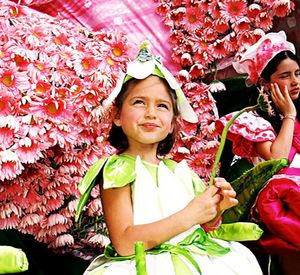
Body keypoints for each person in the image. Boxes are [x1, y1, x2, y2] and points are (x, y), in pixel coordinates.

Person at [76, 42, 263, 275]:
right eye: (139, 102)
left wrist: (214, 212)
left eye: (162, 106)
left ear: (173, 123)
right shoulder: (117, 169)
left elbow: (196, 227)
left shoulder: (179, 171)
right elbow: (124, 243)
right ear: (116, 115)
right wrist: (190, 214)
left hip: (195, 262)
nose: (151, 113)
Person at [216, 31, 300, 273]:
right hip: (275, 204)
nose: (295, 82)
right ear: (265, 83)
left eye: (297, 74)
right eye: (285, 76)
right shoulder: (254, 120)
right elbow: (278, 160)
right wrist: (289, 115)